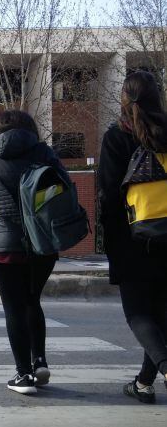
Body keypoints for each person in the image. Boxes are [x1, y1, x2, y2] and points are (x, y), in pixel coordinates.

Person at [0, 110, 68, 395]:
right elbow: (62, 185)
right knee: (32, 301)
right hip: (41, 242)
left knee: (13, 307)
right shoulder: (43, 152)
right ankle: (39, 359)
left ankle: (23, 375)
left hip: (3, 244)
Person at [99, 70, 167, 404]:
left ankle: (164, 369)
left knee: (138, 313)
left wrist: (110, 244)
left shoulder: (117, 137)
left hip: (132, 237)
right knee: (161, 315)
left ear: (124, 99)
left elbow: (108, 196)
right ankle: (143, 383)